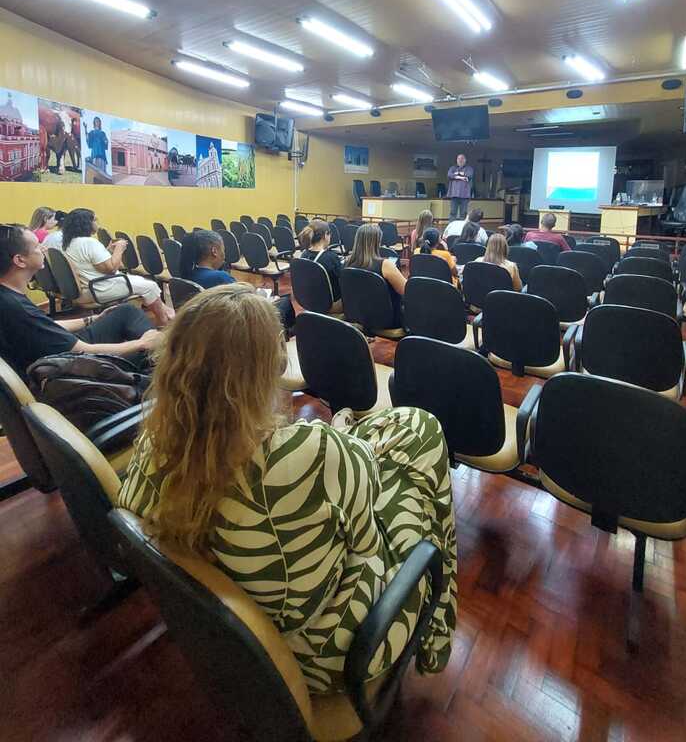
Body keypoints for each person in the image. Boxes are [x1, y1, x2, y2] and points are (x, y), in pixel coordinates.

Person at [118, 284, 457, 695]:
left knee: (401, 429)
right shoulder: (310, 451)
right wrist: (338, 445)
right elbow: (367, 543)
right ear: (271, 364)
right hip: (325, 653)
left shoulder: (155, 442)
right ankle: (435, 632)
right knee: (422, 434)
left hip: (234, 630)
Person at [0, 223, 160, 381]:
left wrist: (91, 319)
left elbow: (45, 327)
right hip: (68, 369)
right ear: (20, 260)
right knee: (150, 351)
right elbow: (84, 351)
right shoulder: (16, 307)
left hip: (56, 357)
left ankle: (158, 353)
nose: (43, 248)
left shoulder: (8, 296)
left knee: (125, 311)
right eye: (36, 246)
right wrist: (141, 344)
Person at [62, 208, 174, 325]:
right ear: (85, 223)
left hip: (89, 287)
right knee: (150, 286)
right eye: (94, 219)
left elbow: (92, 264)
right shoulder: (89, 243)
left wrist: (108, 251)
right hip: (101, 288)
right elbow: (111, 269)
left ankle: (165, 311)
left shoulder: (71, 243)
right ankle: (163, 320)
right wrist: (119, 249)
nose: (97, 222)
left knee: (141, 280)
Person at [346, 223, 406, 327]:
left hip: (359, 316)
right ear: (377, 241)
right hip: (387, 321)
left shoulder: (346, 263)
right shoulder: (385, 265)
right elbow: (406, 290)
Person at [298, 219, 342, 310]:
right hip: (329, 305)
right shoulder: (331, 258)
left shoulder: (304, 254)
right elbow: (342, 282)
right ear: (326, 235)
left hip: (308, 302)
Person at [446, 154, 474, 219]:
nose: (460, 160)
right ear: (456, 160)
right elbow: (449, 175)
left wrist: (457, 174)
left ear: (465, 160)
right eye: (458, 159)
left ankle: (462, 228)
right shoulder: (452, 168)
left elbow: (469, 175)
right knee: (453, 212)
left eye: (462, 159)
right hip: (454, 194)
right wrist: (461, 177)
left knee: (463, 214)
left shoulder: (469, 168)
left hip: (464, 195)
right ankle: (452, 227)